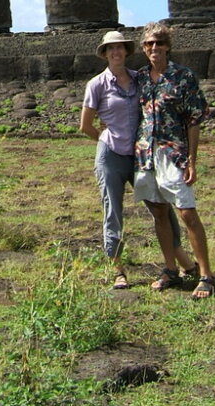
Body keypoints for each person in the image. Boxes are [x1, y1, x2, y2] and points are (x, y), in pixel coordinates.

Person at [80, 30, 197, 290]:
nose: (116, 52)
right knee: (113, 211)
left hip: (140, 155)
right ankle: (117, 269)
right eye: (111, 49)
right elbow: (85, 125)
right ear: (105, 54)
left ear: (127, 51)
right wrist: (106, 137)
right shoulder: (97, 84)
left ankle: (185, 263)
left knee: (160, 207)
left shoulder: (138, 78)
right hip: (111, 155)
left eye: (120, 48)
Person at [134, 22, 215, 298]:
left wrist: (192, 160)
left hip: (174, 153)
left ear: (167, 45)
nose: (153, 48)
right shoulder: (141, 78)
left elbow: (194, 119)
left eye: (158, 43)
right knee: (158, 212)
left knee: (187, 212)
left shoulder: (183, 76)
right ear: (143, 48)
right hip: (147, 153)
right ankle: (170, 268)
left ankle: (205, 275)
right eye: (148, 44)